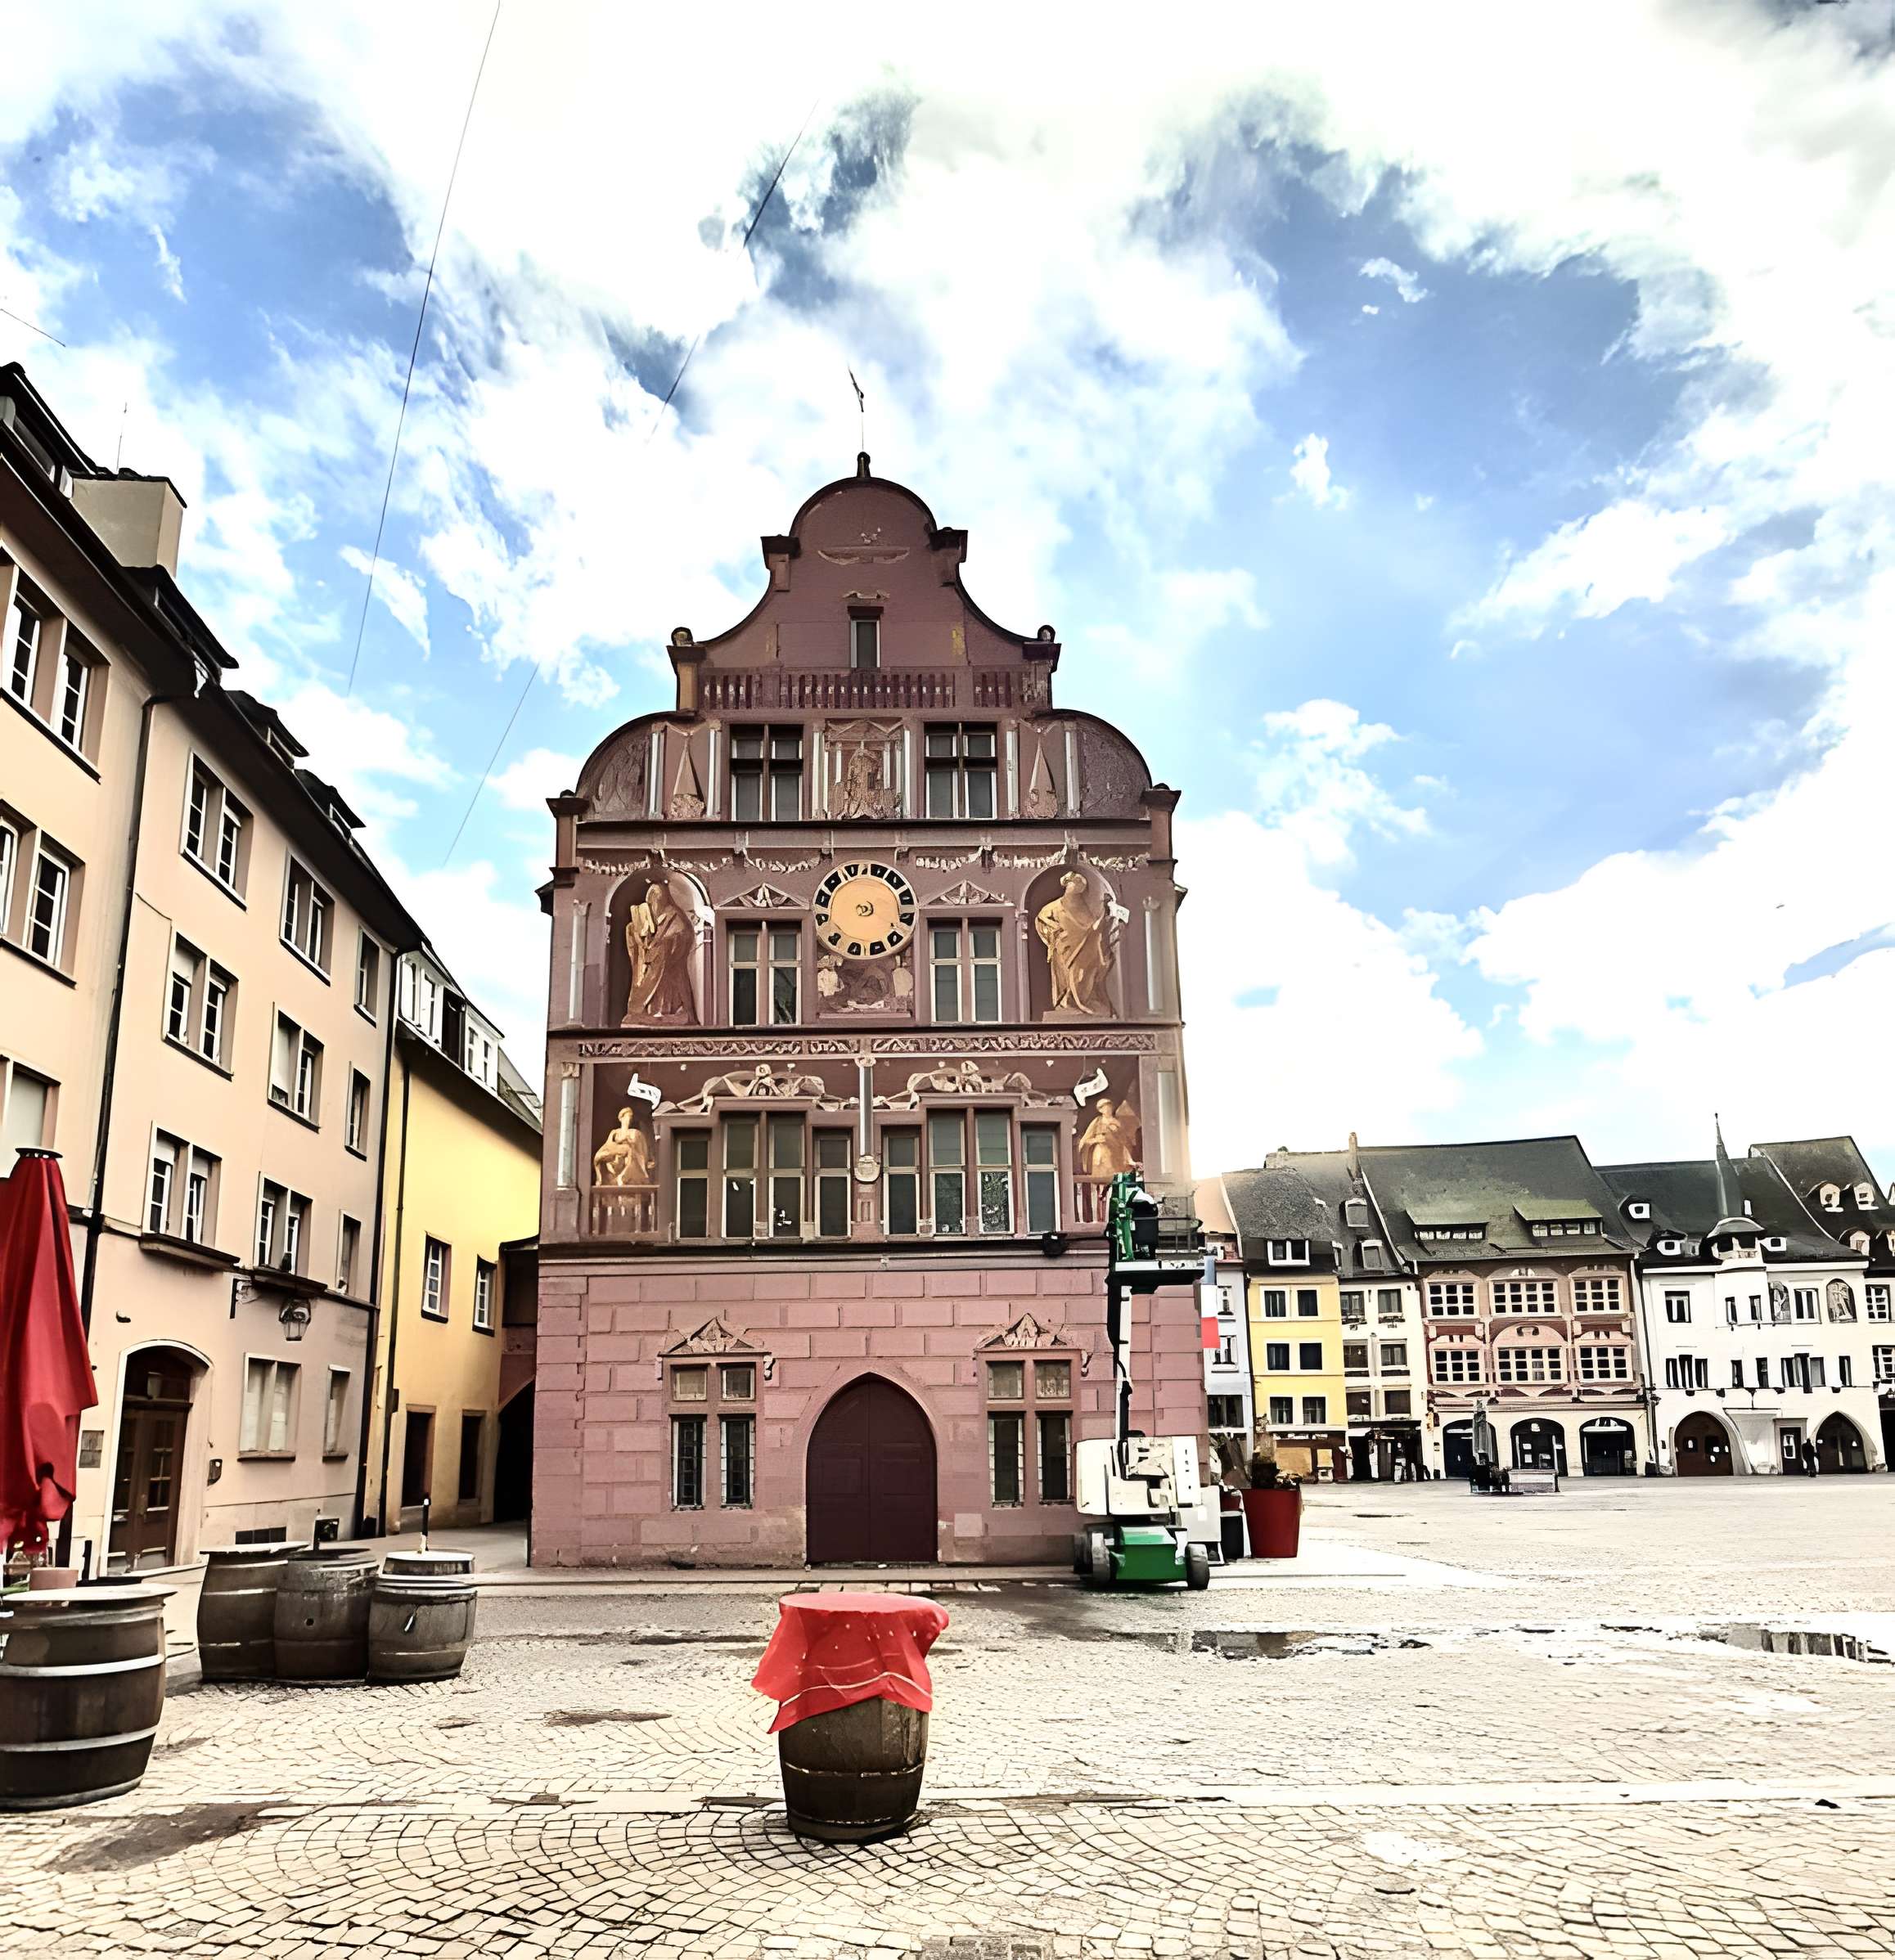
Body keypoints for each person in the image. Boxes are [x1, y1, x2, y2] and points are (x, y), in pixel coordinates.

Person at [1034, 870, 1114, 1014]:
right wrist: (1055, 935)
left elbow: (1092, 930)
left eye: (1079, 890)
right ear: (1067, 887)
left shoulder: (1084, 909)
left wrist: (1104, 914)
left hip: (1083, 953)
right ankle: (1067, 1001)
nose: (1076, 892)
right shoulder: (1053, 908)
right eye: (1074, 887)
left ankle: (1083, 1000)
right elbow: (1042, 922)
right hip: (1064, 949)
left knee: (1084, 974)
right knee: (1068, 977)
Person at [624, 881, 697, 1023]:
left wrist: (665, 944)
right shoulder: (654, 918)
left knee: (666, 988)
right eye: (650, 902)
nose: (653, 905)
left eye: (655, 900)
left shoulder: (675, 915)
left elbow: (683, 934)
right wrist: (638, 934)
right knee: (648, 980)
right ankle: (650, 1012)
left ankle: (665, 1012)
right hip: (654, 962)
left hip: (670, 968)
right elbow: (647, 941)